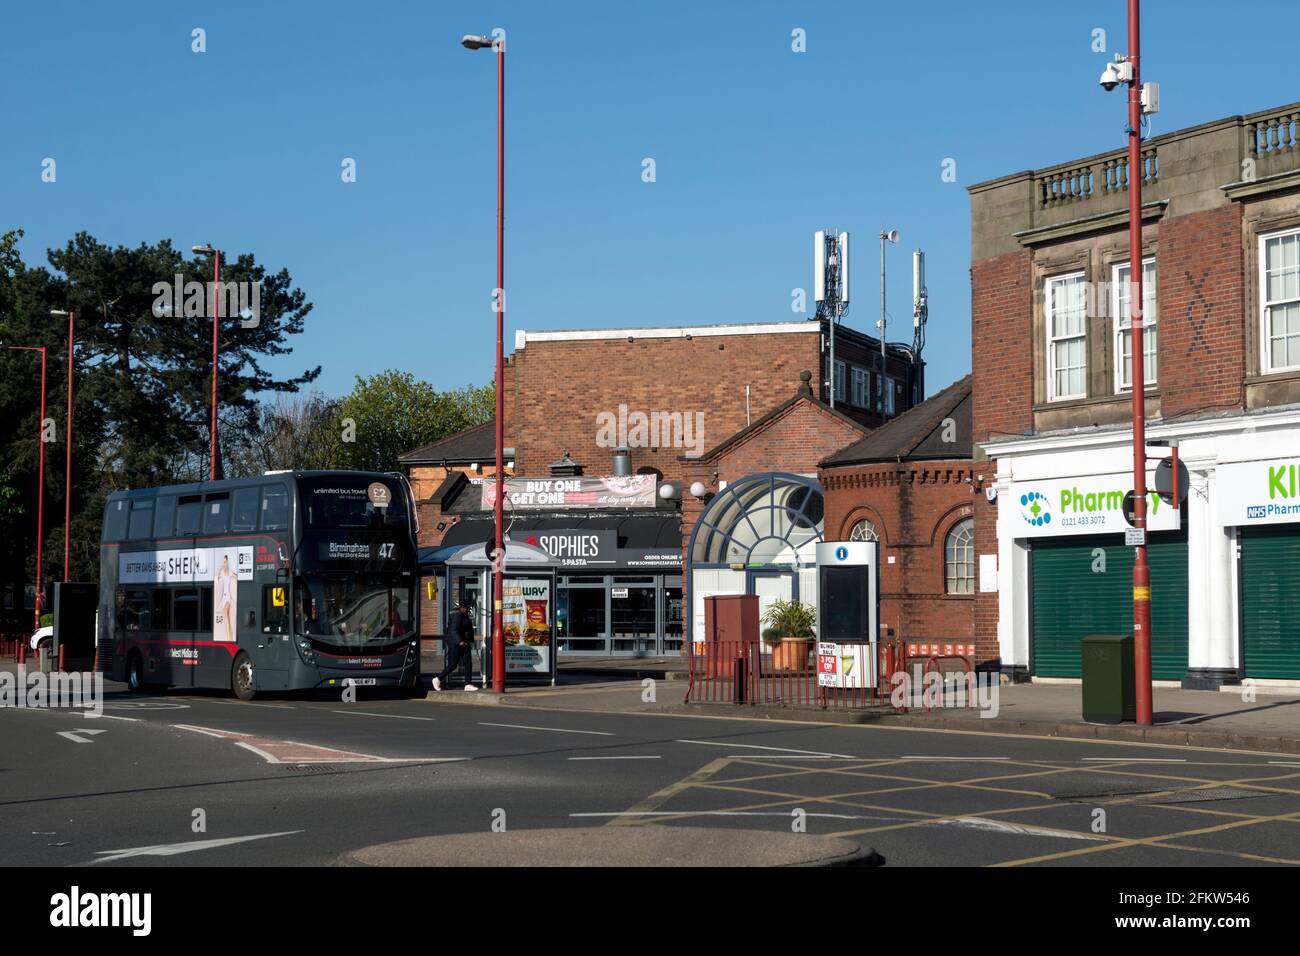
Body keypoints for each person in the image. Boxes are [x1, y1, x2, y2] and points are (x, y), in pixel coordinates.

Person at [433, 600, 477, 692]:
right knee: (453, 664)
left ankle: (467, 684)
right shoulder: (458, 616)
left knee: (468, 663)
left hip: (465, 643)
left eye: (468, 608)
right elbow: (454, 630)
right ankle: (438, 679)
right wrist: (460, 641)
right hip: (456, 644)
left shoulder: (464, 615)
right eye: (466, 608)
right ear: (461, 607)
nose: (467, 609)